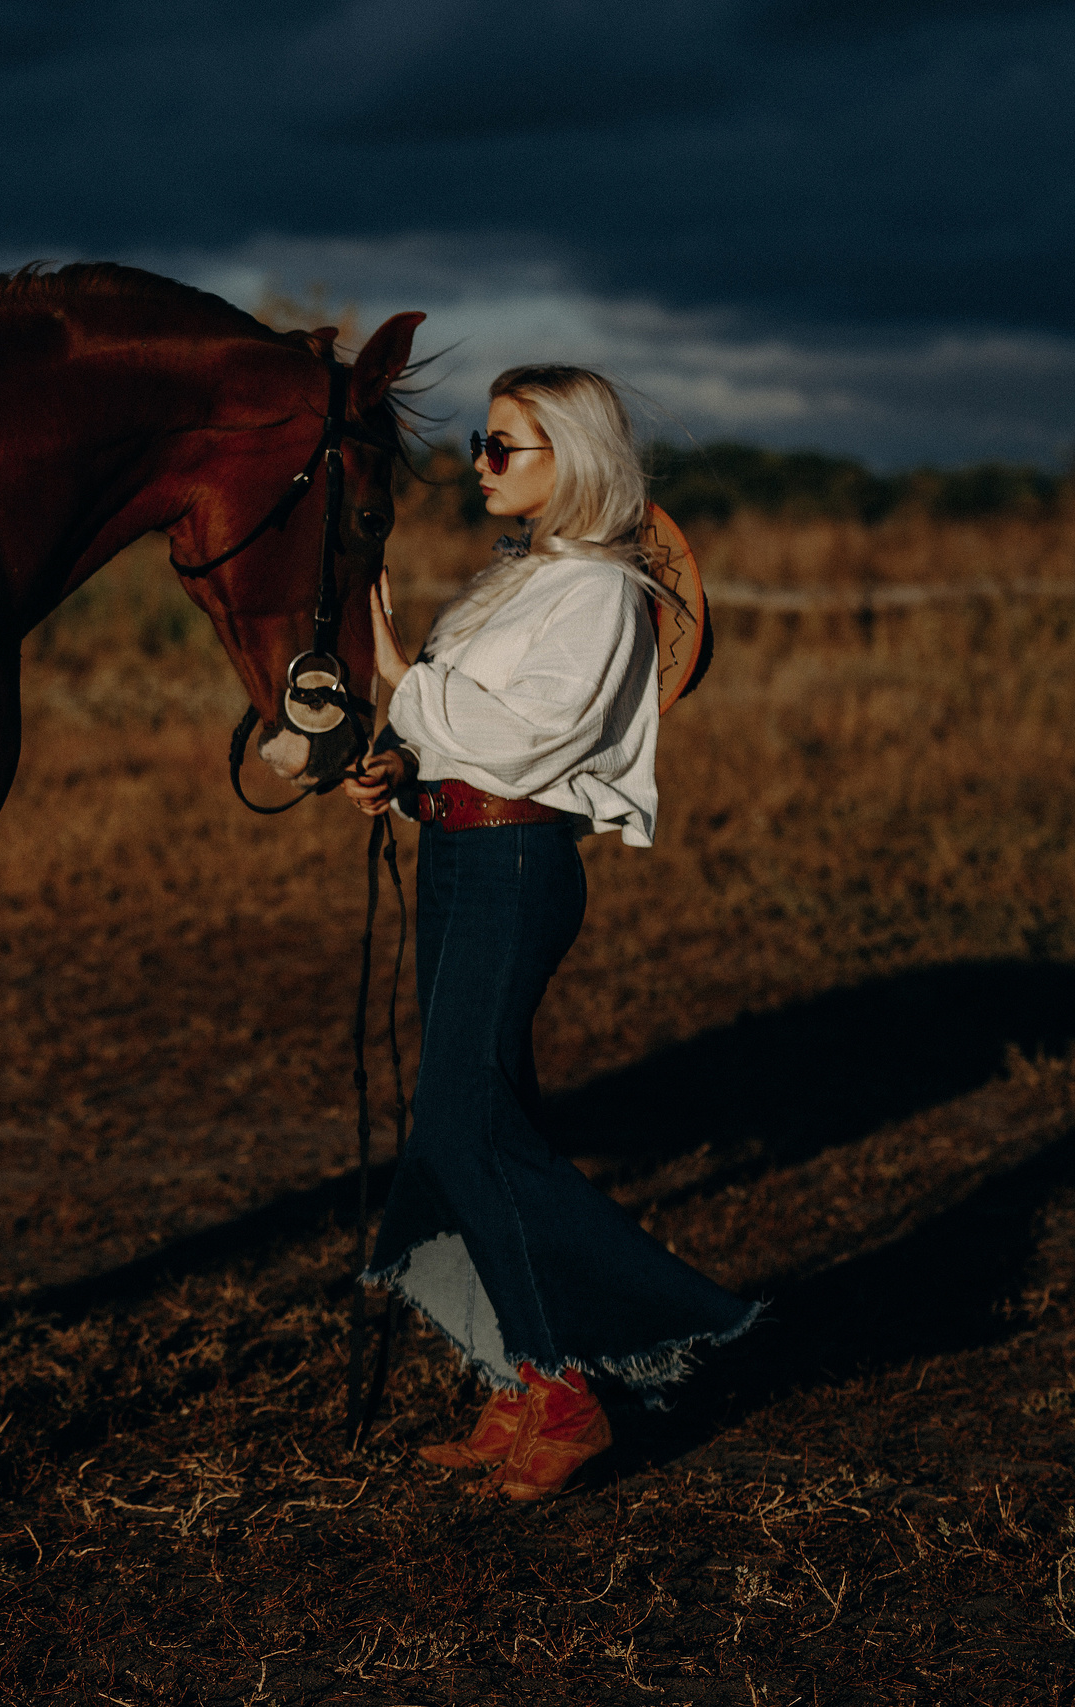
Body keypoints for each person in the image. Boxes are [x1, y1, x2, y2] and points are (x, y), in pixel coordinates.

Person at [341, 364, 759, 1501]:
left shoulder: (599, 593)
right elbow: (458, 738)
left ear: (569, 456)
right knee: (487, 1112)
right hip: (458, 852)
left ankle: (605, 1368)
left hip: (517, 865)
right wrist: (399, 767)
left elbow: (525, 738)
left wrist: (395, 676)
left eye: (503, 445)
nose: (478, 461)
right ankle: (531, 1378)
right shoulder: (514, 583)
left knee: (461, 1120)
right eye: (481, 441)